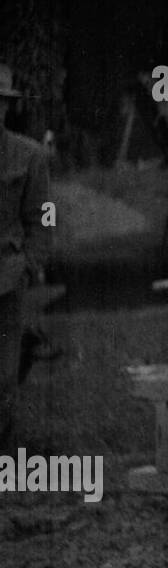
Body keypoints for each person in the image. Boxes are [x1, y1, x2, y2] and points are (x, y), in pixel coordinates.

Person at [0, 64, 50, 452]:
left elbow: (41, 218)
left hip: (6, 272)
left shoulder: (28, 155)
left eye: (1, 103)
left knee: (3, 371)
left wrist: (31, 264)